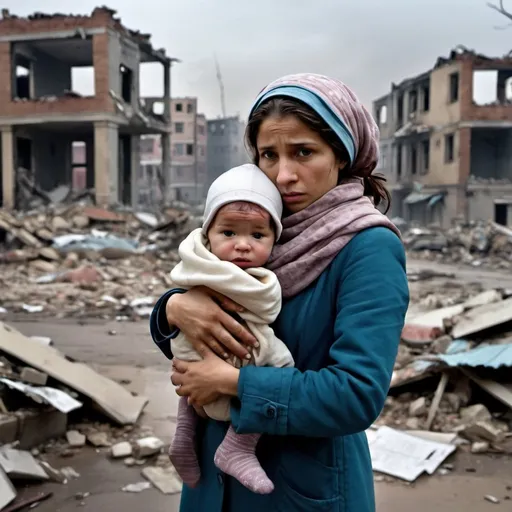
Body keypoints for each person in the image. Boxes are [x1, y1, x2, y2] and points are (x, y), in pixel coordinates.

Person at [150, 73, 409, 512]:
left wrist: (234, 382)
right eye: (269, 155)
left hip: (297, 488)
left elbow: (356, 394)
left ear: (341, 156)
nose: (284, 174)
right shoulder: (255, 228)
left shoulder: (368, 248)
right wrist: (173, 309)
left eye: (303, 152)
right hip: (210, 486)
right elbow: (204, 330)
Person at [167, 164, 294, 495]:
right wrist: (172, 307)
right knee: (281, 363)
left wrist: (172, 304)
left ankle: (185, 435)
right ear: (207, 234)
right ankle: (238, 445)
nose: (242, 246)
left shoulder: (194, 261)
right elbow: (268, 306)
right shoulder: (251, 277)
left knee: (196, 373)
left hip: (196, 355)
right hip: (221, 349)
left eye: (257, 235)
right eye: (229, 233)